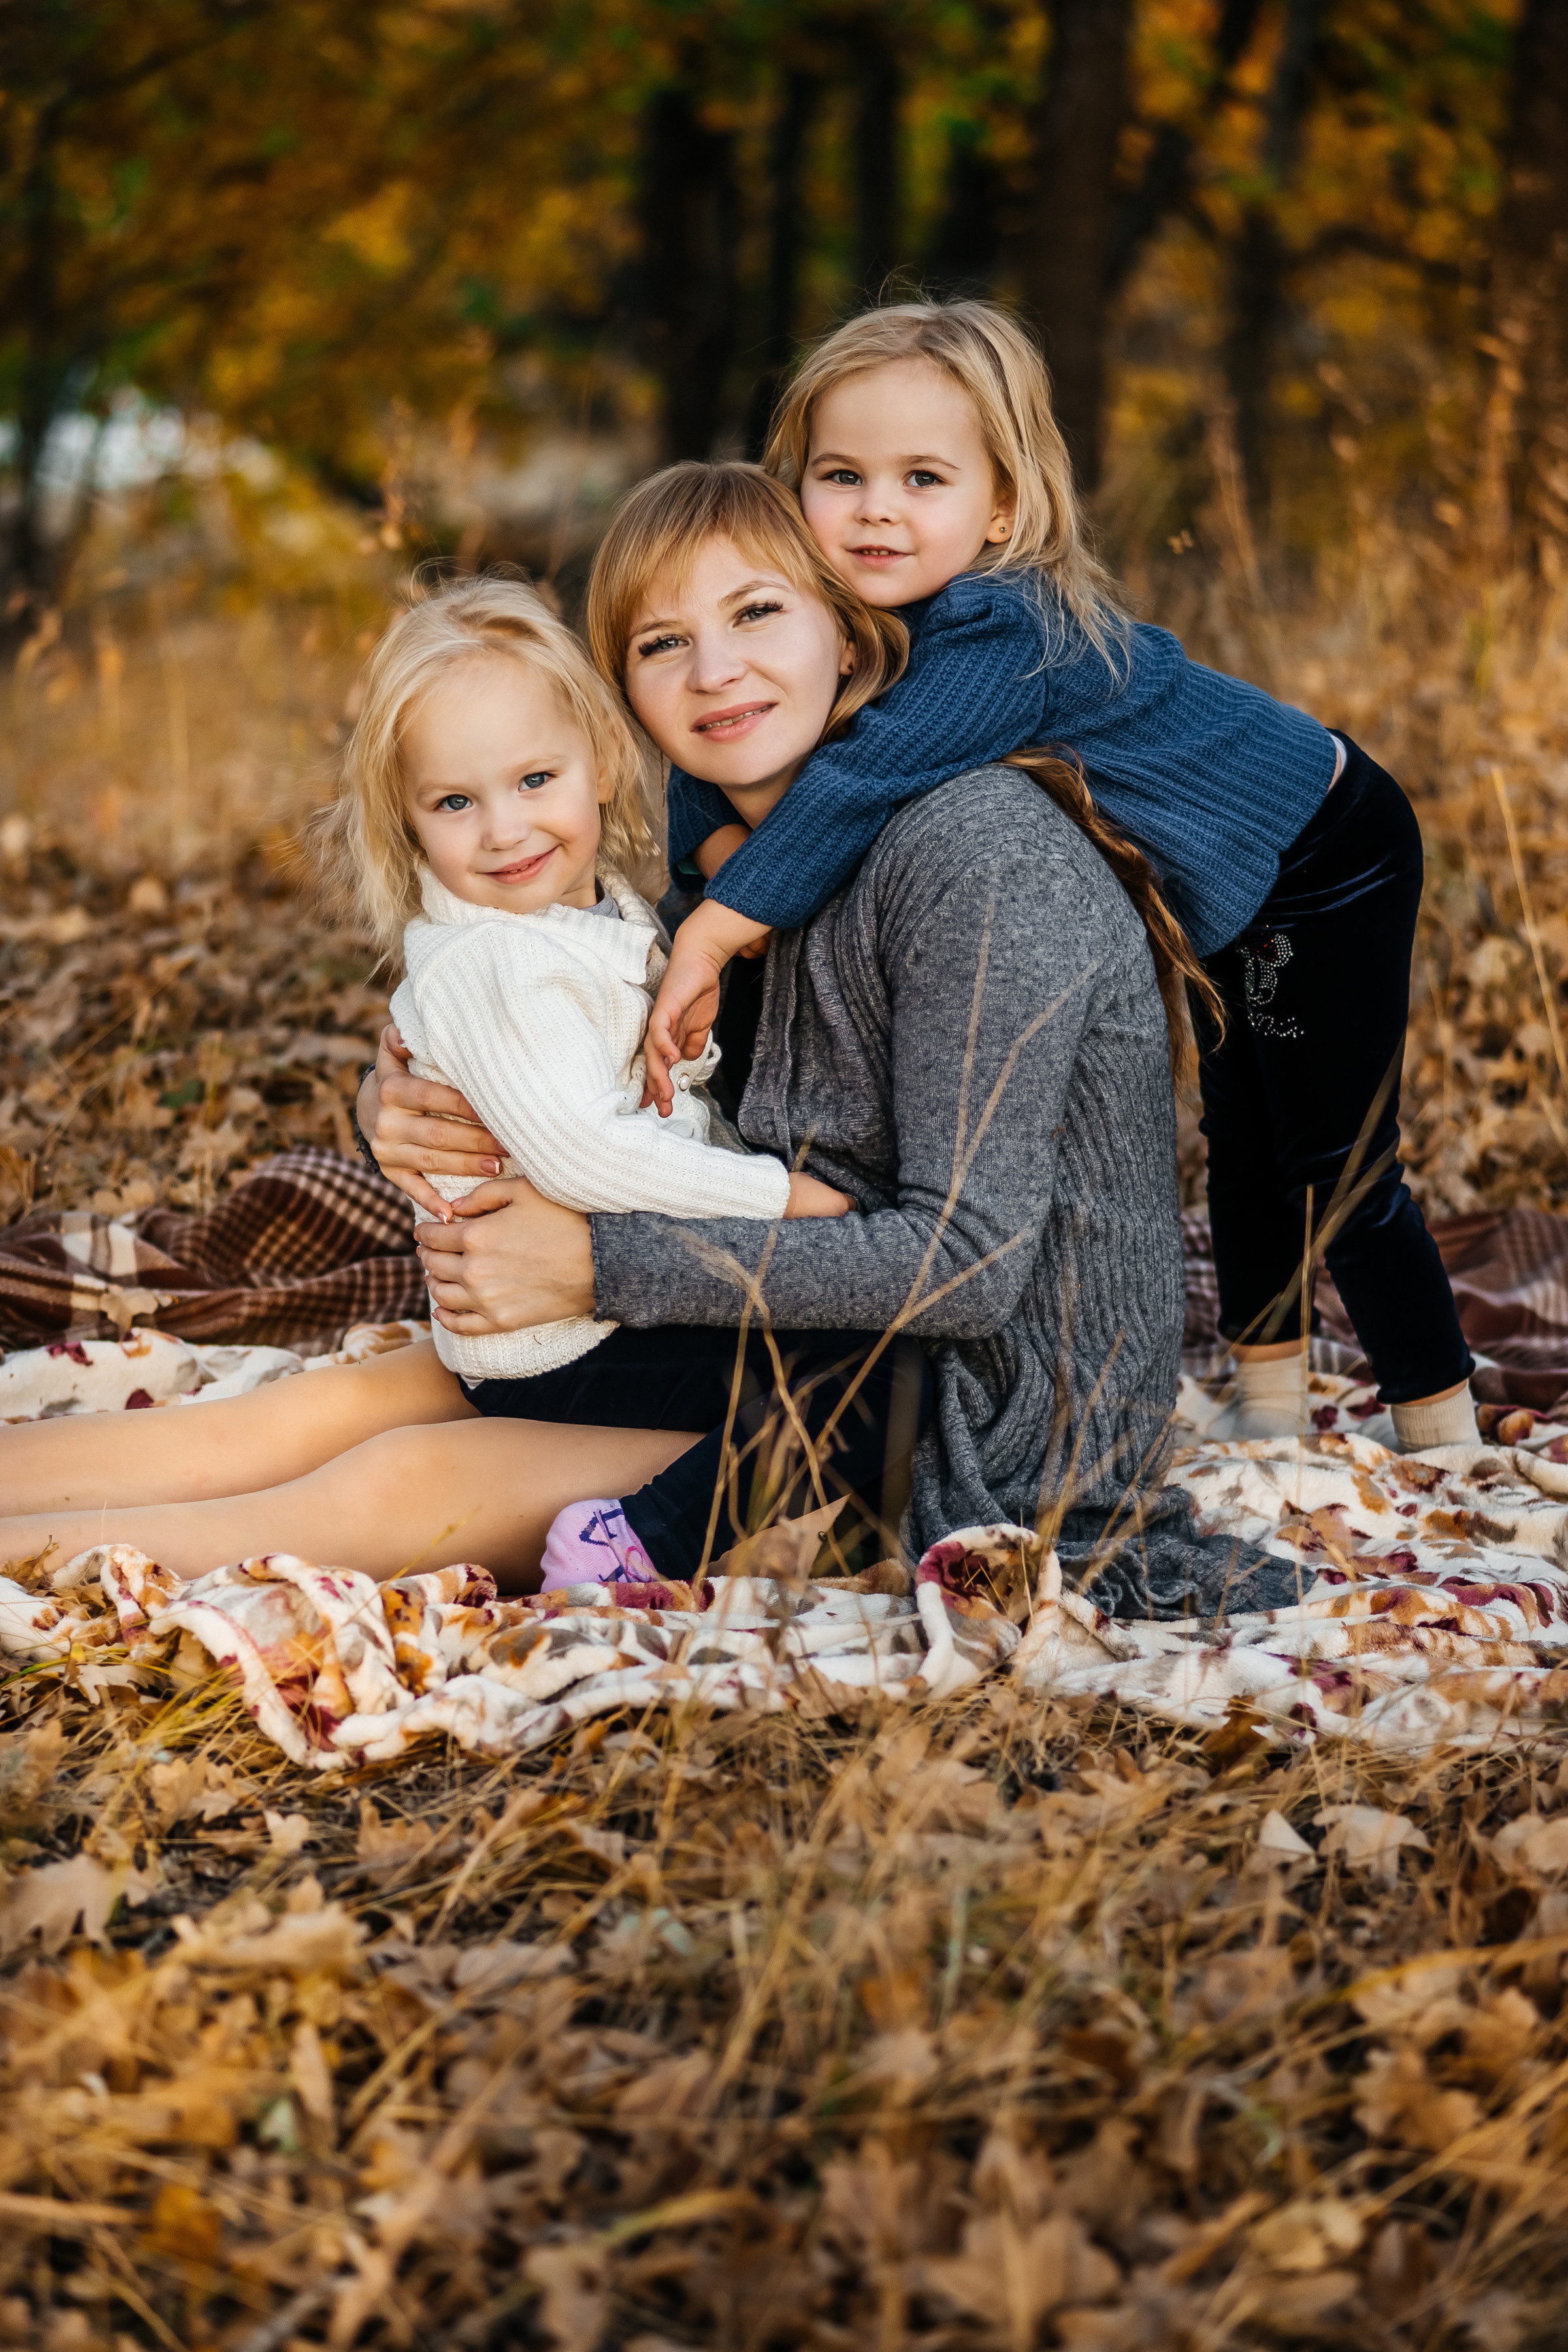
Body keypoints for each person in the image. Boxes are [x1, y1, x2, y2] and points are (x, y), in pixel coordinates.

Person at [357, 462, 1278, 1619]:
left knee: (408, 1471)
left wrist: (594, 1264)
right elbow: (557, 1039)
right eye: (661, 644)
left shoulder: (974, 853)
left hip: (956, 1427)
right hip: (797, 1336)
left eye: (757, 613)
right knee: (368, 1399)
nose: (715, 671)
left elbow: (966, 1266)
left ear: (847, 634)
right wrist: (402, 1096)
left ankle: (604, 1549)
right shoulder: (727, 887)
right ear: (622, 698)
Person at [642, 299, 1477, 1456]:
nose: (877, 507)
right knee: (1239, 1135)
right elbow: (716, 738)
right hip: (1227, 878)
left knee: (1331, 1157)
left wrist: (712, 928)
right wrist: (713, 856)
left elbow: (859, 774)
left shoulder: (1008, 627)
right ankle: (1273, 1398)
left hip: (1320, 854)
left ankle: (1440, 1421)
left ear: (1002, 508)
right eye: (842, 475)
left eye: (923, 478)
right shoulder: (849, 614)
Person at [0, 571, 847, 1586]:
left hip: (570, 1304)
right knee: (319, 1452)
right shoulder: (509, 955)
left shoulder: (602, 913)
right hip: (571, 1325)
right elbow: (588, 1150)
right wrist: (786, 1201)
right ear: (408, 822)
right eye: (456, 802)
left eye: (534, 781)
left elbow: (638, 1084)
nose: (504, 829)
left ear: (601, 759)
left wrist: (685, 1047)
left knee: (315, 1444)